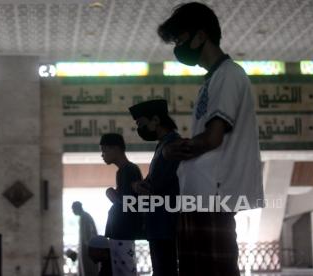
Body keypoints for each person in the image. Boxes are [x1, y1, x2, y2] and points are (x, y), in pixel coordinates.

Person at [157, 2, 264, 276]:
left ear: (201, 35)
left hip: (215, 196)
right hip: (200, 196)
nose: (178, 47)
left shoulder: (229, 74)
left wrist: (174, 150)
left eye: (181, 39)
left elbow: (213, 138)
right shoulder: (212, 80)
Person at [128, 99, 180, 276]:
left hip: (166, 224)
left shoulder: (171, 146)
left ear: (156, 120)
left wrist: (138, 186)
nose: (140, 128)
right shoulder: (163, 145)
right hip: (159, 223)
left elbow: (157, 184)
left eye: (141, 123)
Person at [100, 133, 143, 276]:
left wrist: (110, 193)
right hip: (120, 230)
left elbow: (128, 203)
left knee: (125, 271)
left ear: (115, 149)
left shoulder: (129, 170)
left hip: (124, 230)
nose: (102, 155)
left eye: (104, 150)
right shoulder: (123, 171)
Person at [72, 201, 99, 276]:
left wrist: (88, 247)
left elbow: (89, 234)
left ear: (77, 208)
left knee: (89, 270)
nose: (73, 211)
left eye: (73, 209)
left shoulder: (85, 217)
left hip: (88, 249)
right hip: (86, 248)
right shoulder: (84, 217)